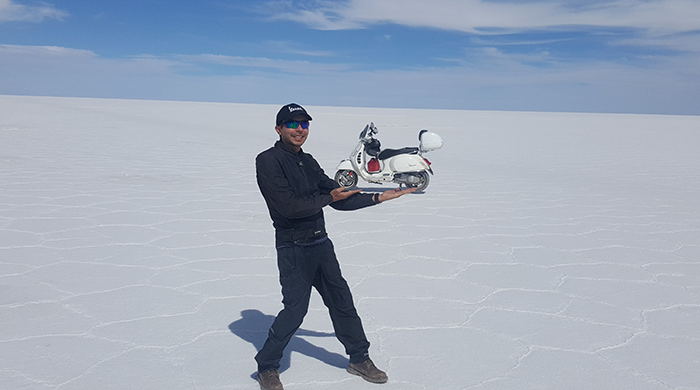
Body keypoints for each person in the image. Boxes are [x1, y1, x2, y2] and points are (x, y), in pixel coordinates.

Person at [254, 103, 415, 390]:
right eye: (292, 124)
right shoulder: (267, 161)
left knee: (342, 302)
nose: (300, 129)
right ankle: (267, 365)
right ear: (279, 129)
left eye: (304, 124)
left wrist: (379, 197)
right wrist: (329, 198)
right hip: (293, 248)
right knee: (294, 311)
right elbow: (288, 207)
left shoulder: (309, 161)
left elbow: (337, 197)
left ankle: (359, 358)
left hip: (320, 244)